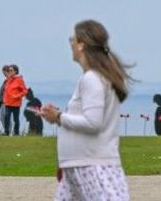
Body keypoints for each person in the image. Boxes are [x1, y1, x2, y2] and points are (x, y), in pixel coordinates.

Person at [39, 19, 135, 201]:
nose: (70, 44)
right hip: (77, 165)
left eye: (72, 39)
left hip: (92, 166)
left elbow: (93, 122)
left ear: (81, 45)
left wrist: (59, 117)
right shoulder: (95, 78)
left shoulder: (92, 79)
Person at [1, 64, 28, 136]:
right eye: (8, 70)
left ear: (15, 71)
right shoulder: (8, 79)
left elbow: (25, 91)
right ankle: (6, 133)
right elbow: (6, 91)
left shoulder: (19, 80)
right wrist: (4, 99)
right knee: (6, 118)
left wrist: (17, 96)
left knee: (16, 120)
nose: (9, 71)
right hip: (7, 103)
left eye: (11, 70)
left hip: (16, 104)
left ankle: (16, 133)